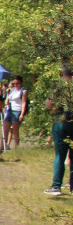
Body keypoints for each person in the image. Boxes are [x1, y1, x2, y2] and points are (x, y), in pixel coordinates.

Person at [44, 65, 73, 195]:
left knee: (60, 155)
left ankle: (56, 186)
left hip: (61, 123)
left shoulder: (58, 86)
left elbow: (49, 104)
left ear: (62, 73)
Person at [3, 75, 28, 149]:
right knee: (5, 129)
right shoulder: (12, 90)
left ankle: (16, 147)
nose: (16, 85)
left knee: (15, 130)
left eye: (18, 83)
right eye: (14, 83)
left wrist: (22, 114)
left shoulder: (23, 91)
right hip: (10, 110)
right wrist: (8, 92)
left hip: (17, 110)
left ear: (21, 83)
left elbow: (24, 103)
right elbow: (7, 101)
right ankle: (4, 146)